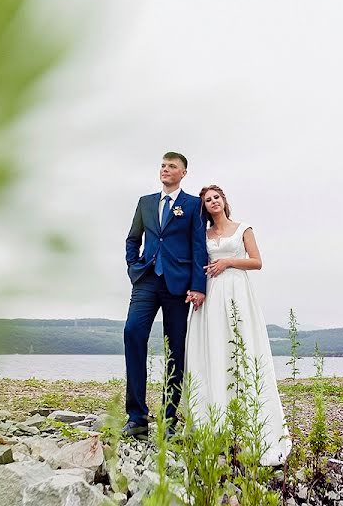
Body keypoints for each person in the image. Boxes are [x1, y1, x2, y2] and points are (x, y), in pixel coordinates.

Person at [185, 184, 291, 466]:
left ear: (224, 200)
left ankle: (250, 423)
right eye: (207, 200)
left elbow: (257, 262)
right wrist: (195, 288)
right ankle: (214, 423)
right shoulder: (203, 235)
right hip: (212, 293)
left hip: (237, 291)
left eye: (216, 197)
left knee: (242, 348)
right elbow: (197, 263)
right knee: (214, 349)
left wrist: (228, 262)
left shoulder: (243, 228)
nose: (213, 202)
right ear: (204, 207)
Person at [123, 152, 208, 439]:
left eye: (172, 166)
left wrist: (198, 286)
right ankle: (136, 417)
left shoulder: (193, 205)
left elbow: (199, 247)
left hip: (179, 285)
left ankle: (168, 420)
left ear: (183, 173)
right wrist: (133, 266)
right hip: (146, 280)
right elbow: (133, 238)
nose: (165, 170)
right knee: (132, 333)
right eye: (162, 165)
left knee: (176, 349)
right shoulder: (145, 203)